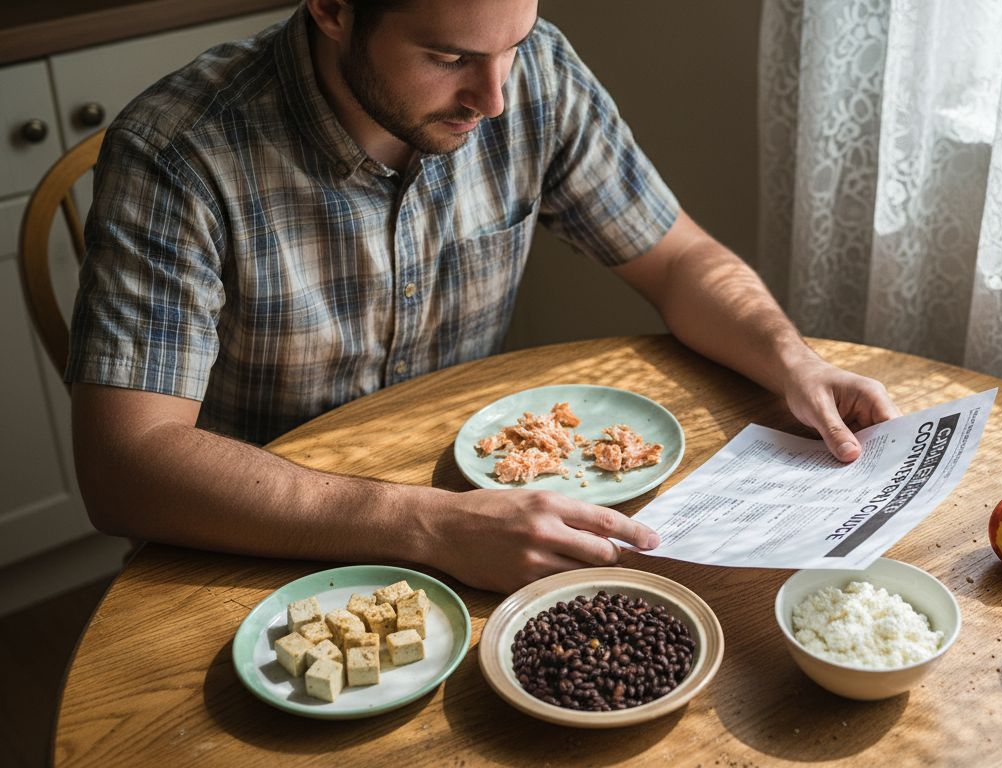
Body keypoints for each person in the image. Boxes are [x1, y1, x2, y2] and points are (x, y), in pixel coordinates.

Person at [68, 0, 900, 593]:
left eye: (513, 45)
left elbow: (680, 259)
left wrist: (791, 359)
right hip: (255, 547)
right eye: (450, 57)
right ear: (331, 8)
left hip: (475, 521)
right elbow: (126, 466)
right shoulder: (178, 153)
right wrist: (428, 524)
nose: (495, 99)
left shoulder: (531, 75)